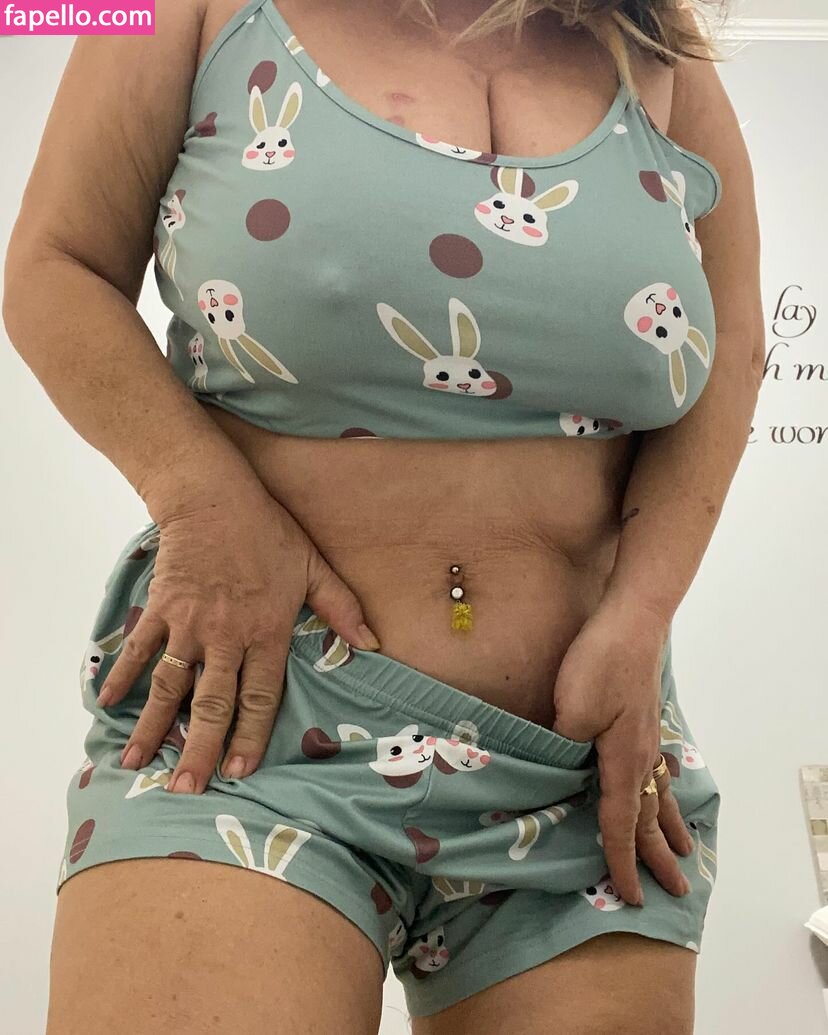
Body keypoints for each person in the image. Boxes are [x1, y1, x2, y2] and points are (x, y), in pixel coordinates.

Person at [3, 0, 763, 1031]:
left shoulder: (652, 40)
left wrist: (640, 616)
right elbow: (54, 266)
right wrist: (201, 497)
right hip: (258, 720)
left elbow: (733, 346)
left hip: (578, 758)